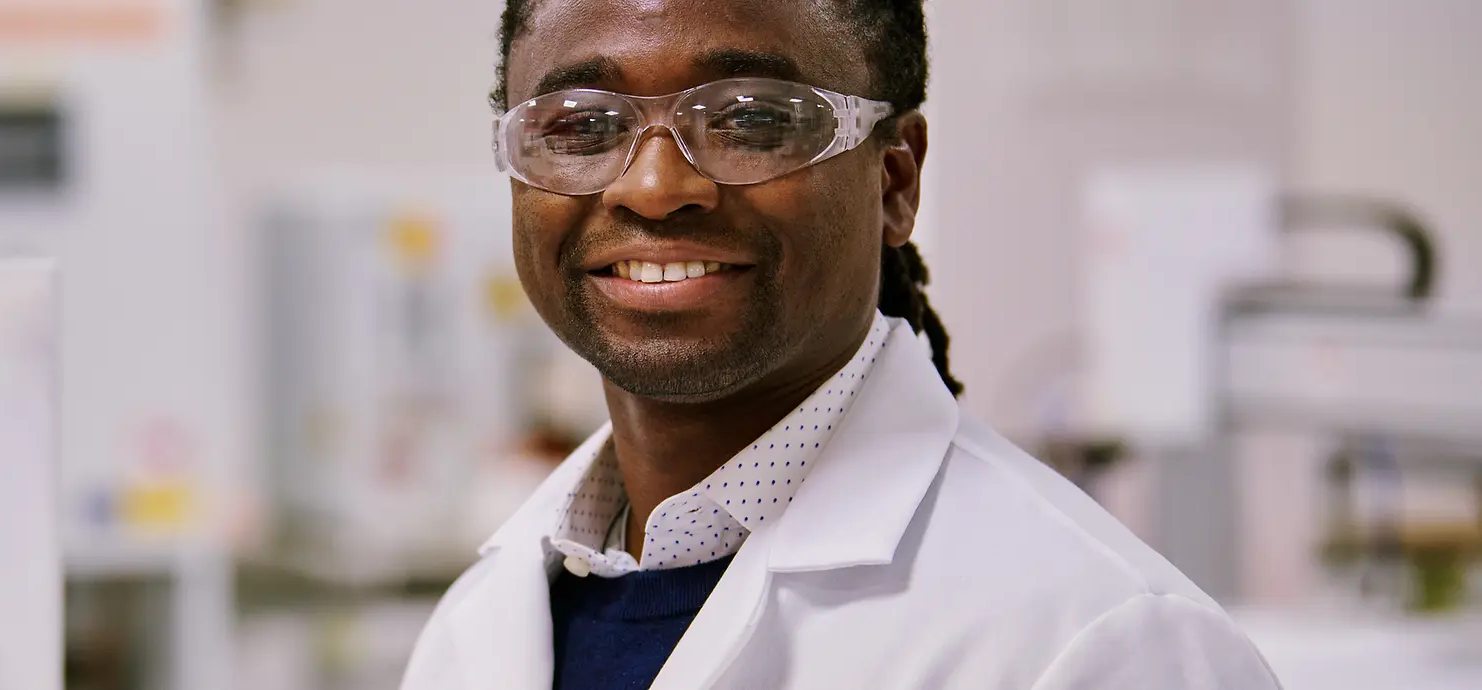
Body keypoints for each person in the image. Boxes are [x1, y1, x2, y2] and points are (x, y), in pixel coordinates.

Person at [400, 1, 1284, 688]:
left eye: (751, 120)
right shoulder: (482, 626)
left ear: (895, 180)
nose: (655, 186)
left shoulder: (1102, 643)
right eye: (581, 126)